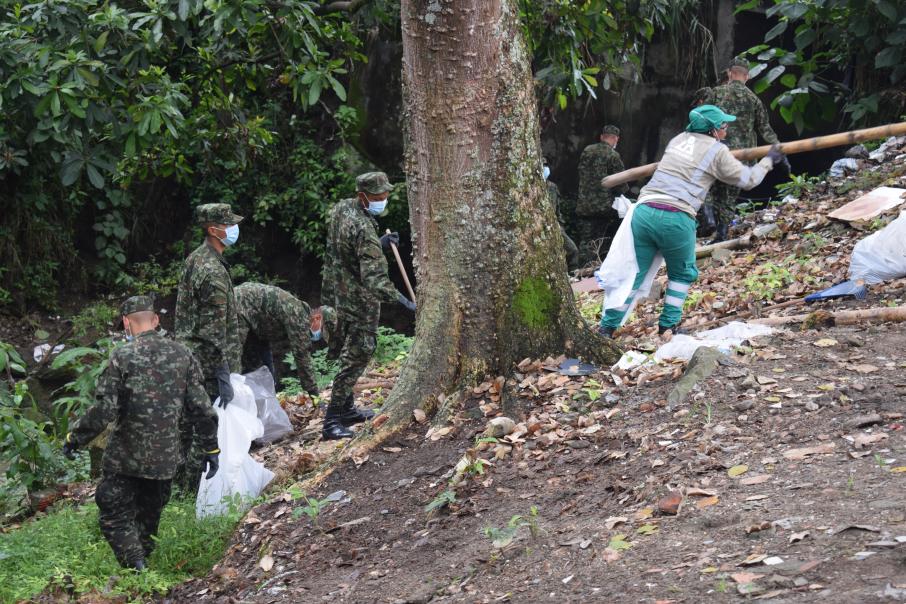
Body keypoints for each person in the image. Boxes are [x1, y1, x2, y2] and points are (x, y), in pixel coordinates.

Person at [597, 105, 786, 338]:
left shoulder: (677, 140)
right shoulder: (717, 151)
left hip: (644, 212)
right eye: (723, 126)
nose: (726, 130)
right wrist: (769, 160)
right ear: (713, 130)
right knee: (682, 274)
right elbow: (749, 180)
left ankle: (606, 329)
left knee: (634, 274)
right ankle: (668, 326)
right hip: (676, 216)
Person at [62, 296, 219, 570]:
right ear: (156, 320)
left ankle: (136, 567)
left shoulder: (122, 356)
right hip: (165, 461)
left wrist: (74, 438)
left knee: (113, 512)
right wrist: (211, 448)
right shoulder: (183, 355)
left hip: (126, 458)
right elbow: (202, 409)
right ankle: (141, 570)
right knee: (149, 518)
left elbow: (104, 410)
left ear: (126, 322)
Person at [321, 171, 415, 440]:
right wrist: (406, 302)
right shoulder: (363, 228)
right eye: (377, 197)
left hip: (338, 293)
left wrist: (378, 244)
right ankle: (331, 422)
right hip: (359, 301)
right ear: (362, 196)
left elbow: (347, 249)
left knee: (348, 350)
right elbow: (375, 280)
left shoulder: (342, 209)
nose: (383, 199)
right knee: (358, 353)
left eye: (385, 194)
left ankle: (347, 409)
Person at [173, 203, 242, 489]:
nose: (234, 229)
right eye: (228, 225)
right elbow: (213, 331)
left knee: (186, 427)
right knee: (206, 427)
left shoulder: (196, 258)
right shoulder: (212, 272)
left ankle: (176, 487)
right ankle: (193, 491)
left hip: (188, 356)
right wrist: (223, 372)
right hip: (206, 363)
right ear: (214, 230)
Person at [704, 58, 779, 242]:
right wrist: (778, 147)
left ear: (730, 73)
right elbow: (765, 129)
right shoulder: (754, 100)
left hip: (715, 152)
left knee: (708, 186)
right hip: (741, 157)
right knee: (728, 196)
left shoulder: (716, 93)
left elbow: (703, 119)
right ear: (747, 76)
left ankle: (709, 219)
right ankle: (721, 233)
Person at [234, 282, 334, 398]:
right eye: (321, 329)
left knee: (263, 372)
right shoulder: (298, 317)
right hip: (241, 303)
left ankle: (258, 402)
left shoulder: (299, 312)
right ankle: (224, 401)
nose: (319, 334)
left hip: (256, 324)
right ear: (317, 318)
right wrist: (314, 395)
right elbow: (302, 358)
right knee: (233, 361)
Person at [576, 124, 627, 264]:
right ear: (616, 139)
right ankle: (592, 269)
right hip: (603, 207)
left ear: (601, 137)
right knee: (599, 241)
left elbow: (581, 172)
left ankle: (579, 268)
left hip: (584, 204)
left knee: (585, 241)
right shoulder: (613, 155)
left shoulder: (587, 150)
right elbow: (620, 182)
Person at [543, 161, 579, 271]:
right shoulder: (532, 188)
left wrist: (560, 226)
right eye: (542, 165)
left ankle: (573, 274)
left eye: (546, 165)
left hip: (554, 226)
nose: (545, 168)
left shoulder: (551, 187)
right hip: (541, 227)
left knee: (572, 251)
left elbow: (556, 210)